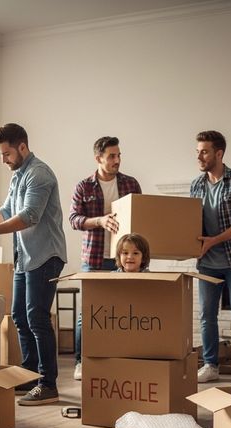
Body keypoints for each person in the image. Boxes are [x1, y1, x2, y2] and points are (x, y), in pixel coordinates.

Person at [0, 123, 67, 406]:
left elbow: (29, 216)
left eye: (6, 153)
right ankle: (30, 376)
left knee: (36, 318)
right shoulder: (17, 176)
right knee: (19, 318)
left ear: (22, 147)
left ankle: (48, 384)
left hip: (46, 256)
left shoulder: (40, 175)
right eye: (0, 154)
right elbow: (6, 212)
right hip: (25, 257)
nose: (3, 160)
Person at [68, 136, 142, 380]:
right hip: (94, 258)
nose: (117, 160)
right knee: (88, 314)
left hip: (126, 259)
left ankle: (120, 359)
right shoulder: (84, 187)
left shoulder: (131, 183)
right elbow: (74, 220)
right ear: (98, 158)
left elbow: (142, 216)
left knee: (124, 312)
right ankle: (81, 362)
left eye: (119, 155)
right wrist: (100, 220)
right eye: (112, 156)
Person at [190, 130, 231, 386]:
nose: (199, 156)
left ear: (219, 153)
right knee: (207, 316)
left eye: (204, 151)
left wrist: (213, 241)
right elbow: (190, 221)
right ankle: (210, 365)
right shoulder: (196, 184)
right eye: (197, 151)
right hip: (206, 262)